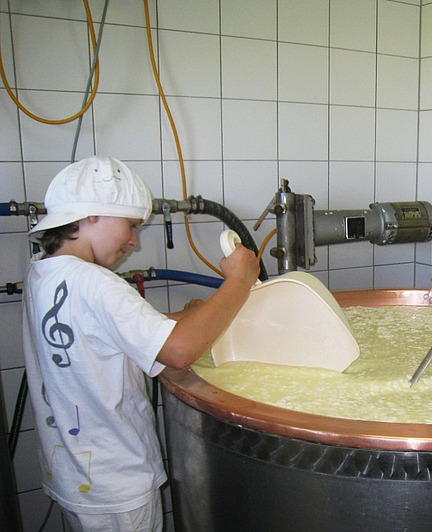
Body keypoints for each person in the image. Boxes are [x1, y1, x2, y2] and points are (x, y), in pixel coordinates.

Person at [21, 156, 259, 531]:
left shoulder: (42, 273)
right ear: (92, 214)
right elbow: (177, 352)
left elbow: (112, 334)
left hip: (73, 473)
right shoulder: (97, 283)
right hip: (117, 482)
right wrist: (238, 282)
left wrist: (193, 318)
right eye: (131, 225)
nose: (134, 241)